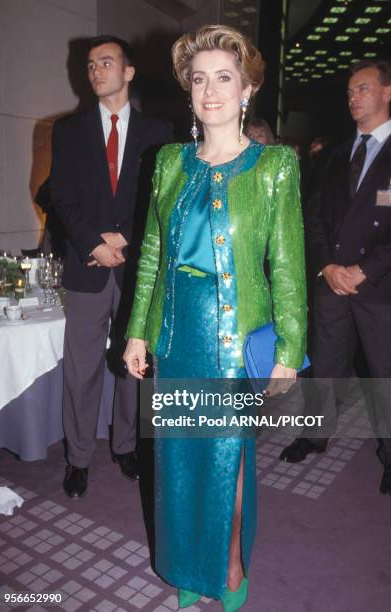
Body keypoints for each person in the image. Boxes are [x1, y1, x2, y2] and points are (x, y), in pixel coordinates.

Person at [124, 25, 307, 610]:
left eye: (223, 78)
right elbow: (152, 252)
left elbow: (288, 266)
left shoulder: (274, 165)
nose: (210, 91)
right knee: (177, 460)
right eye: (199, 79)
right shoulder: (169, 163)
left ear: (247, 88)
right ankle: (188, 570)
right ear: (188, 92)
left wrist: (288, 349)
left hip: (235, 338)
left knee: (227, 459)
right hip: (178, 334)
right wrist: (136, 330)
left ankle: (228, 568)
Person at [50, 35, 172, 498]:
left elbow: (162, 201)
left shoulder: (158, 131)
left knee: (133, 364)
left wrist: (124, 238)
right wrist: (92, 243)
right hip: (87, 265)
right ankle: (78, 457)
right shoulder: (68, 130)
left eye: (106, 62)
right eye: (90, 64)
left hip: (136, 265)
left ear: (129, 71)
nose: (96, 70)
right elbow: (60, 195)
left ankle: (125, 445)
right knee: (81, 368)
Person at [279, 59, 391, 495]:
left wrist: (365, 269)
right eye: (349, 91)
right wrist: (327, 266)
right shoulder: (337, 153)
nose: (352, 97)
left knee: (383, 373)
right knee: (325, 364)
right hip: (333, 283)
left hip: (380, 286)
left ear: (387, 93)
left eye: (362, 88)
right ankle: (314, 434)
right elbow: (315, 215)